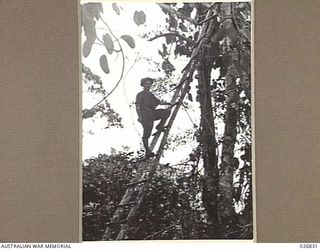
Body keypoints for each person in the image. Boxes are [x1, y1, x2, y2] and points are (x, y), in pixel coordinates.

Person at [136, 77, 171, 157]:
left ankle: (160, 126)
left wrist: (168, 103)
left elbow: (158, 102)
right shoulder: (140, 95)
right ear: (143, 85)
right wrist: (140, 117)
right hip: (145, 115)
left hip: (152, 113)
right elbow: (138, 106)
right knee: (147, 133)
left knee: (166, 112)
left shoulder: (150, 95)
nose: (148, 85)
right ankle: (147, 151)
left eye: (149, 84)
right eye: (146, 84)